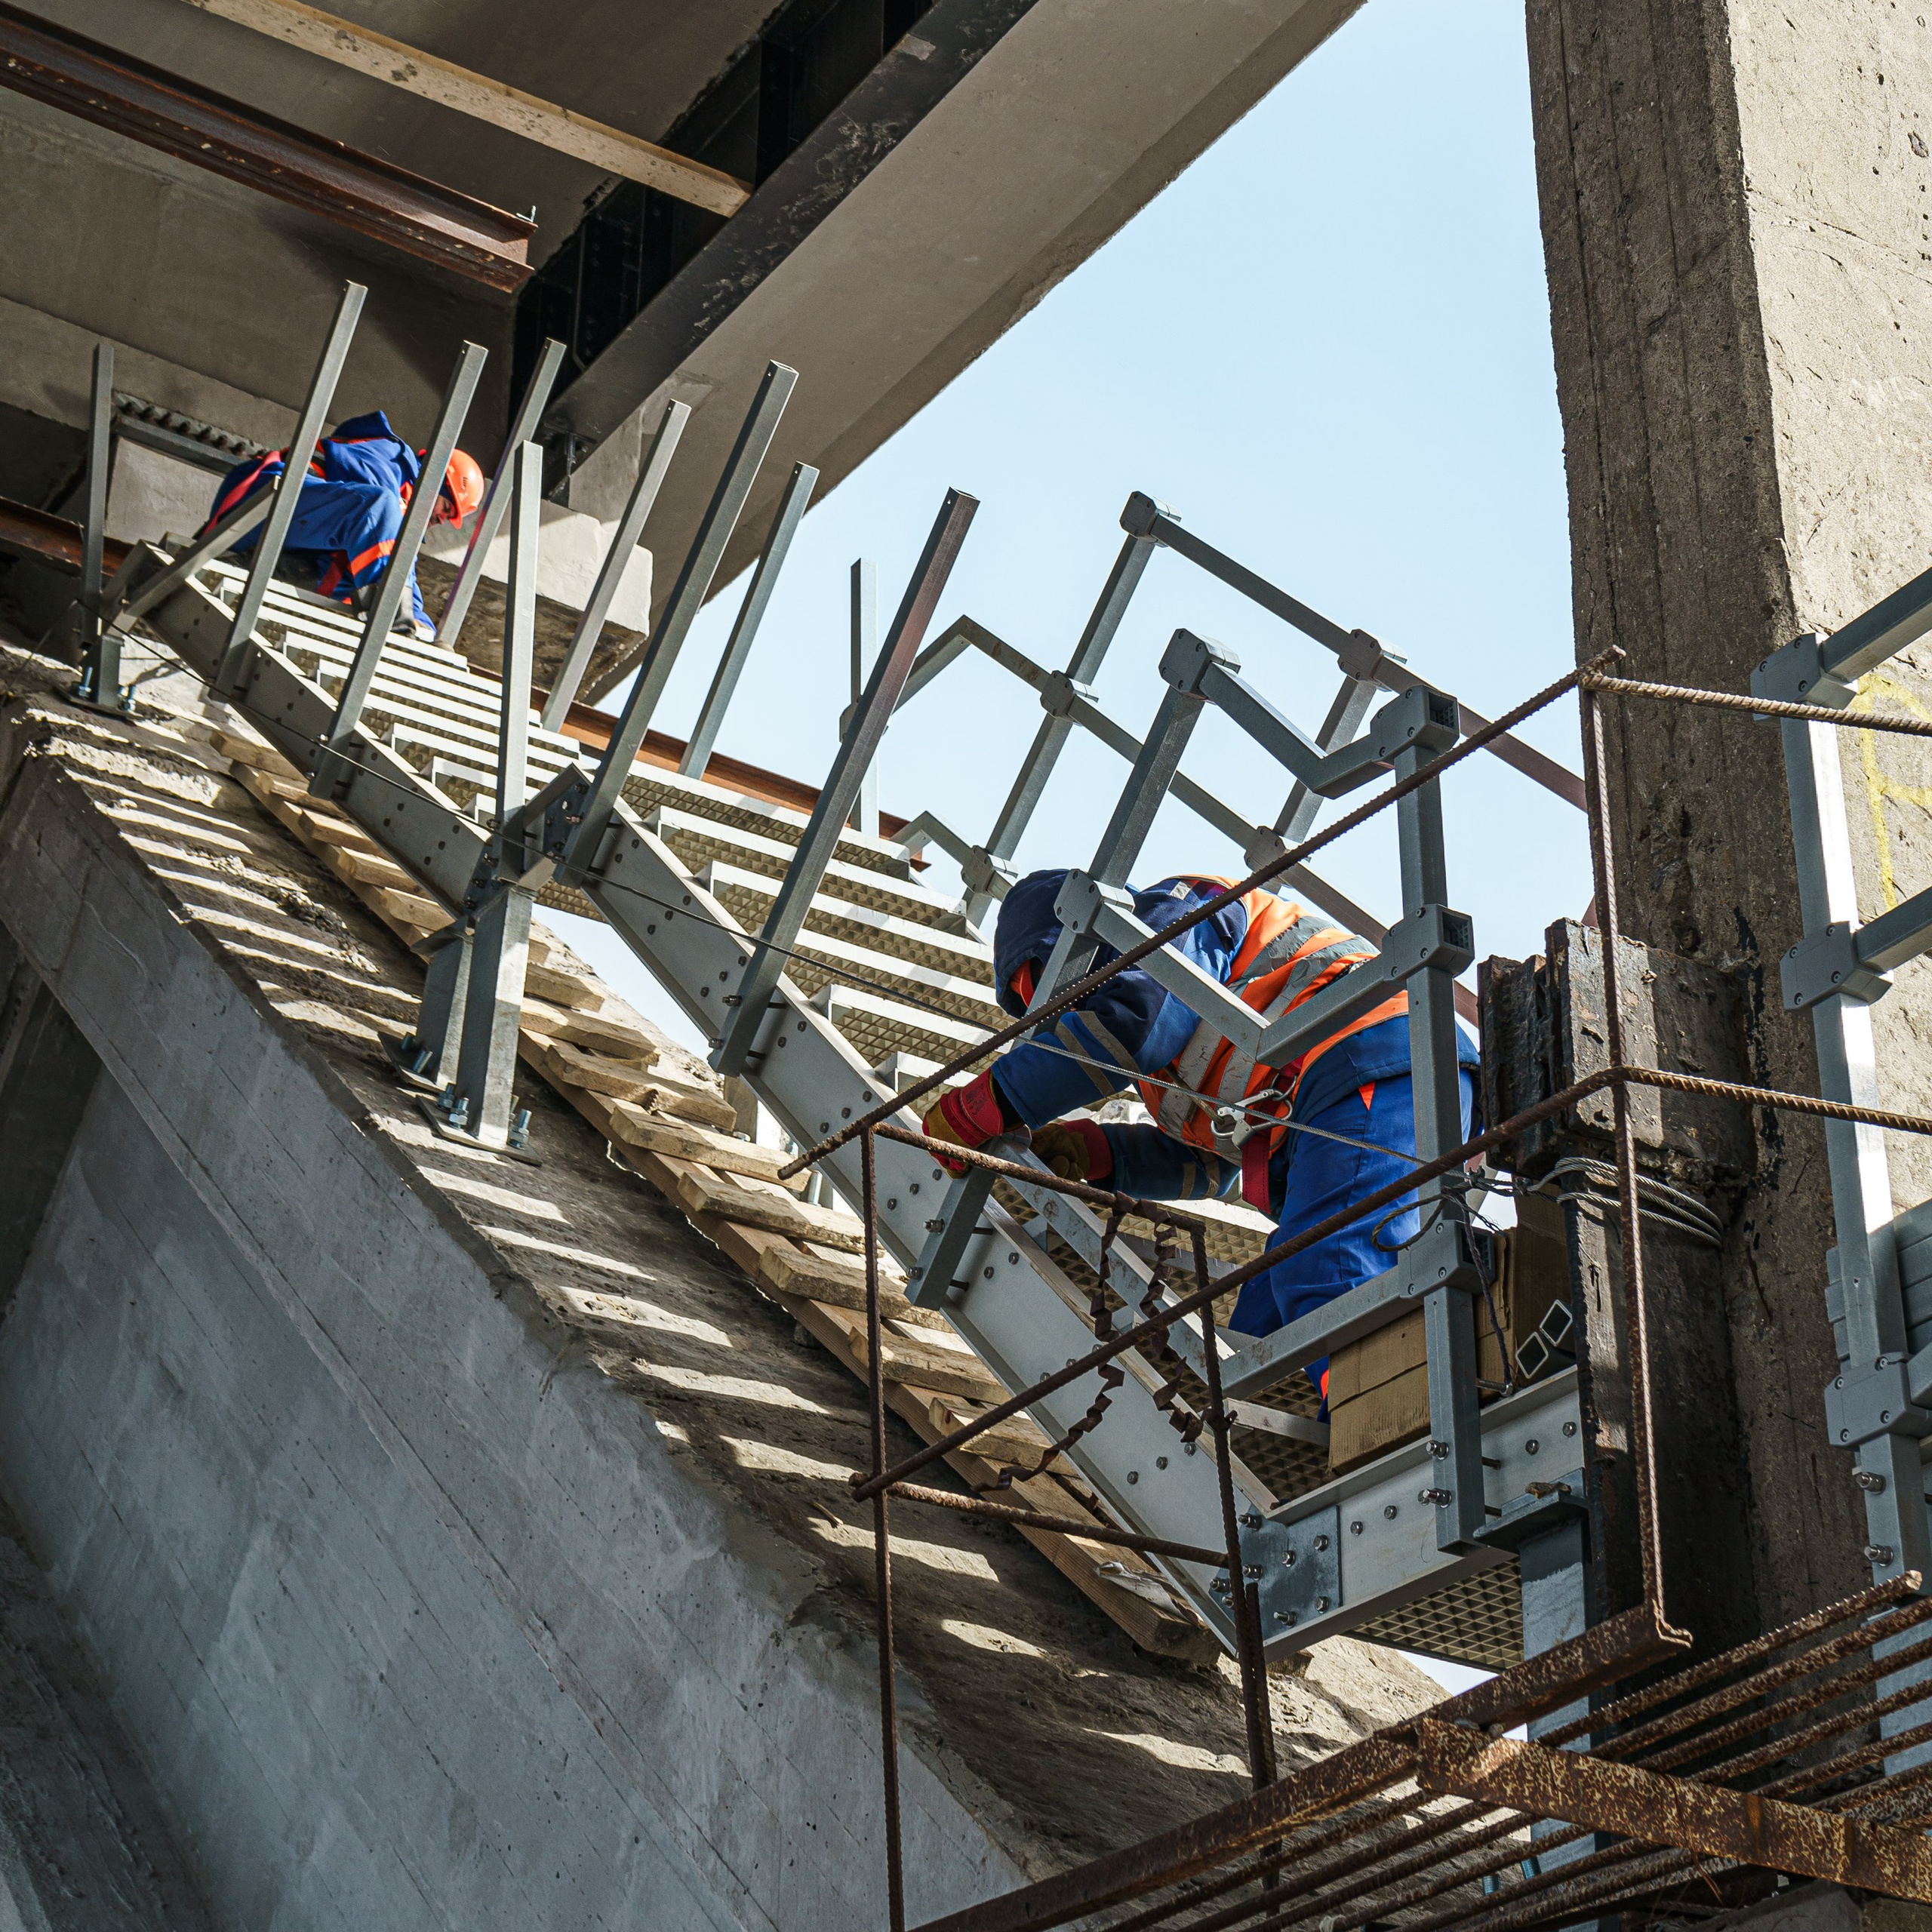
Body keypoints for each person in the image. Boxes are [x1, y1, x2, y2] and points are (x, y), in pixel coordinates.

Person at [921, 869, 1479, 1408]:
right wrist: (1096, 1151)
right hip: (1353, 1097)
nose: (1060, 1015)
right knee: (1263, 1331)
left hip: (1373, 1058)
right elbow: (1215, 1164)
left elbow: (1132, 1026)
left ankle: (1403, 1440)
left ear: (1076, 940)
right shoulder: (1167, 1068)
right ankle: (1358, 1435)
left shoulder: (1176, 914)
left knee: (1328, 1273)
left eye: (1047, 989)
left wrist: (988, 1103)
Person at [204, 413, 485, 641]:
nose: (441, 520)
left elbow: (400, 570)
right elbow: (382, 524)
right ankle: (392, 624)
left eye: (449, 518)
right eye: (446, 508)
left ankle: (251, 562)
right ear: (435, 480)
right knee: (380, 513)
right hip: (260, 501)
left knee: (365, 575)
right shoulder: (392, 458)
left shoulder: (397, 522)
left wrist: (426, 631)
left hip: (283, 535)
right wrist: (403, 621)